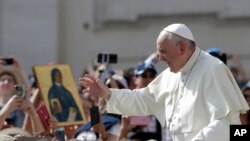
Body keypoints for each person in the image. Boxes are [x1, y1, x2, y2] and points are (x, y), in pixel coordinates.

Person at [79, 23, 249, 141]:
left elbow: (225, 123)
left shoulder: (213, 69)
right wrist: (107, 93)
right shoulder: (170, 75)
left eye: (163, 52)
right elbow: (143, 99)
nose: (159, 58)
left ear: (181, 48)